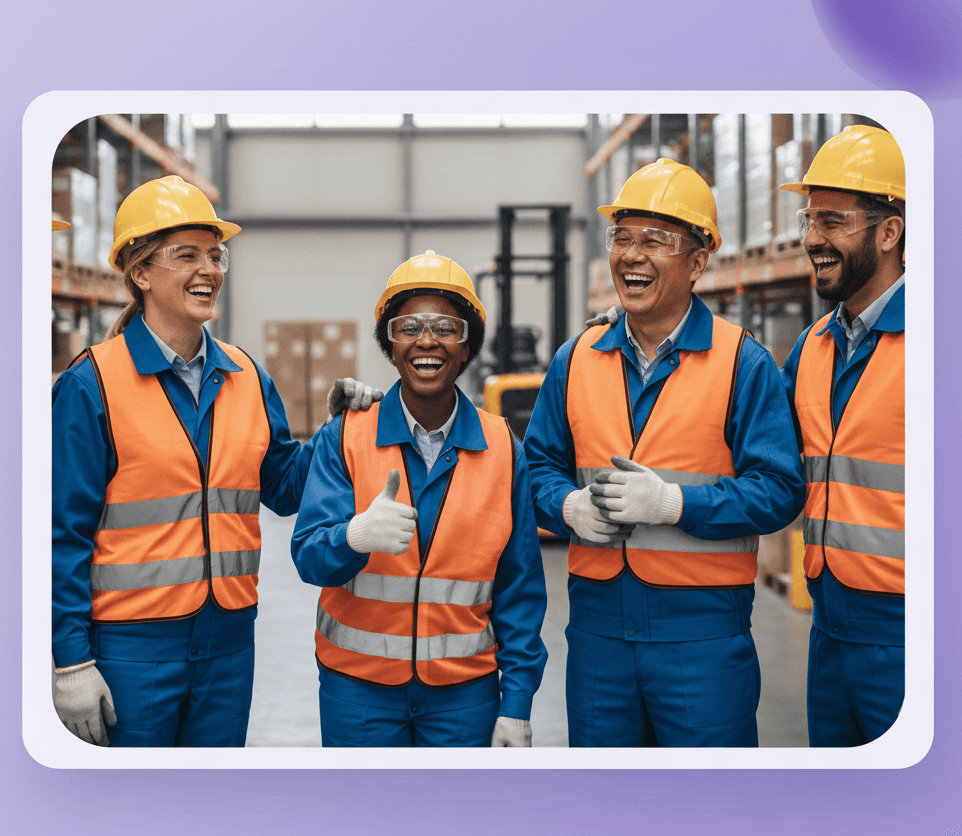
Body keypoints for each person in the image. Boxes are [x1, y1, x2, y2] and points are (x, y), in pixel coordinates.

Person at [51, 175, 378, 747]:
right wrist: (71, 662)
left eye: (215, 255)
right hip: (132, 643)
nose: (210, 270)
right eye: (187, 256)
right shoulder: (92, 384)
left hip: (228, 637)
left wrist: (337, 429)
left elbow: (282, 486)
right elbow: (62, 534)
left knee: (209, 799)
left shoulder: (245, 374)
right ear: (141, 273)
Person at [523, 159, 805, 747]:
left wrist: (675, 503)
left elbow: (780, 490)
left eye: (655, 240)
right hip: (598, 633)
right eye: (621, 238)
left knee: (707, 805)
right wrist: (567, 506)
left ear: (698, 262)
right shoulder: (574, 360)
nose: (631, 255)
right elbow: (535, 471)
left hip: (702, 637)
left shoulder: (741, 363)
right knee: (607, 803)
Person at [291, 250, 548, 747]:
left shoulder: (502, 449)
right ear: (389, 342)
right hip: (358, 691)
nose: (426, 341)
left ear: (467, 342)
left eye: (446, 327)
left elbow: (520, 590)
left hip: (464, 696)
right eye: (408, 326)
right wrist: (353, 536)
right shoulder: (345, 436)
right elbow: (309, 557)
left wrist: (516, 703)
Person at [778, 125, 906, 747]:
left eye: (832, 222)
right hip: (828, 623)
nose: (810, 240)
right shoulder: (813, 346)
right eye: (808, 220)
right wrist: (646, 326)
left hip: (913, 631)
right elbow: (746, 426)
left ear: (889, 232)